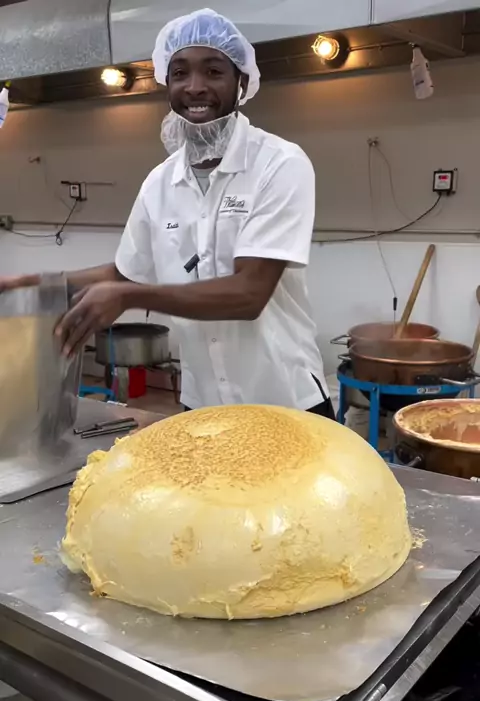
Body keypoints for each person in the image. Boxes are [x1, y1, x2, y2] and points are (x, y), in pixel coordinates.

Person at [0, 8, 333, 417]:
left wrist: (129, 296)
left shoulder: (279, 164)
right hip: (203, 405)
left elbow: (249, 293)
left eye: (213, 71)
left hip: (285, 402)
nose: (195, 87)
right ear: (167, 83)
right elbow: (124, 274)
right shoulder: (160, 182)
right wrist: (35, 284)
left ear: (242, 82)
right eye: (179, 73)